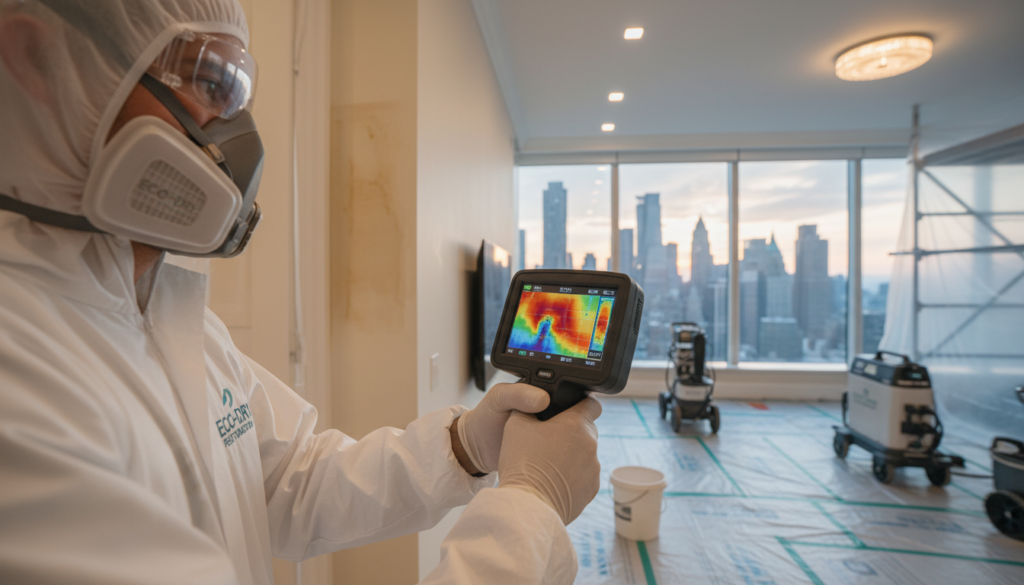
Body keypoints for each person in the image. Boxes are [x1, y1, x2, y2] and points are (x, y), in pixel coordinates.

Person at [0, 1, 602, 583]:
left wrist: (465, 445)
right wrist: (529, 513)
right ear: (39, 62)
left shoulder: (173, 316)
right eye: (210, 85)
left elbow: (293, 481)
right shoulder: (20, 373)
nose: (240, 147)